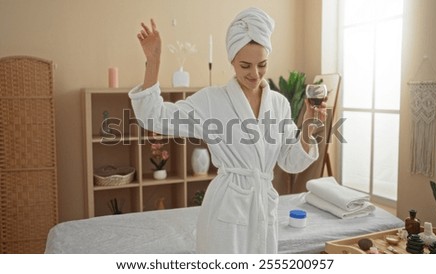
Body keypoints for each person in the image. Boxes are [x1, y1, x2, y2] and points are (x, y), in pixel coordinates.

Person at [129, 7, 327, 253]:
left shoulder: (279, 104)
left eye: (262, 64)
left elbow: (290, 162)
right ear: (232, 60)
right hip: (226, 209)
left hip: (263, 207)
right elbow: (154, 117)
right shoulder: (213, 101)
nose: (254, 74)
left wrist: (308, 124)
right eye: (245, 65)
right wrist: (154, 61)